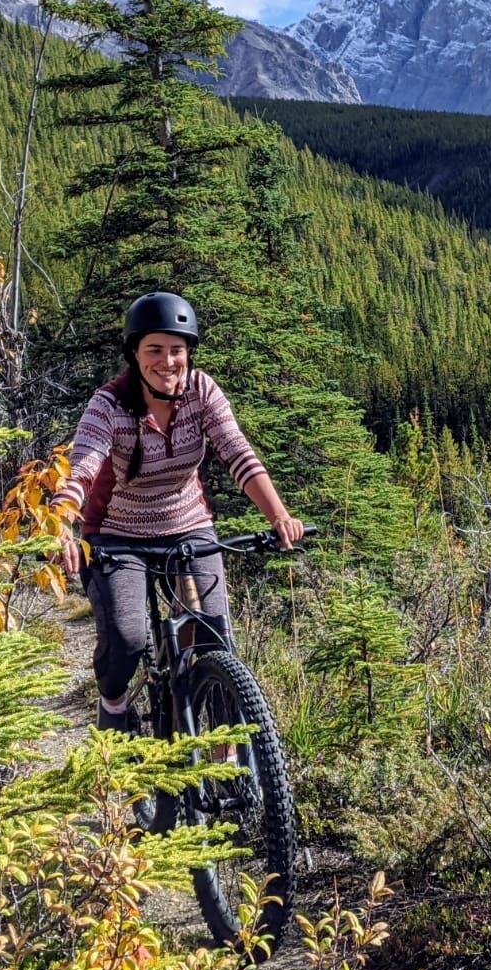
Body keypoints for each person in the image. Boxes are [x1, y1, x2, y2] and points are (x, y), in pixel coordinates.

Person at [52, 292, 304, 731]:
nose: (167, 362)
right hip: (117, 536)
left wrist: (278, 516)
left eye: (177, 350)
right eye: (154, 350)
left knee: (213, 638)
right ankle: (112, 705)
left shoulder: (202, 391)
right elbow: (82, 470)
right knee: (128, 639)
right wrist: (60, 527)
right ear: (134, 353)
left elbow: (238, 453)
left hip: (188, 525)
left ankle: (226, 751)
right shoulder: (108, 405)